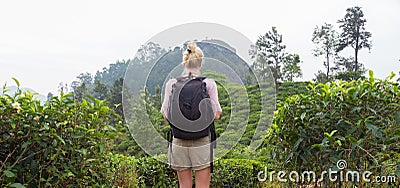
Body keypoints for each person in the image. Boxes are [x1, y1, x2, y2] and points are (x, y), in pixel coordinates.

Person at [161, 43, 222, 188]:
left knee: (184, 186)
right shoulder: (208, 84)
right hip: (201, 140)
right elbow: (217, 115)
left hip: (179, 141)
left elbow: (165, 114)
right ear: (200, 63)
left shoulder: (172, 83)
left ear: (184, 61)